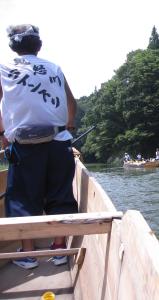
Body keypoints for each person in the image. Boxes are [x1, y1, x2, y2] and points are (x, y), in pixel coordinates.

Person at [0, 24, 78, 269]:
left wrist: (3, 134)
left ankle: (28, 253)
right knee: (60, 194)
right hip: (58, 143)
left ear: (13, 45)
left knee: (21, 198)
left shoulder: (3, 69)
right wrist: (68, 125)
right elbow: (71, 102)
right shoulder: (54, 68)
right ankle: (59, 248)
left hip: (24, 146)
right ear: (39, 45)